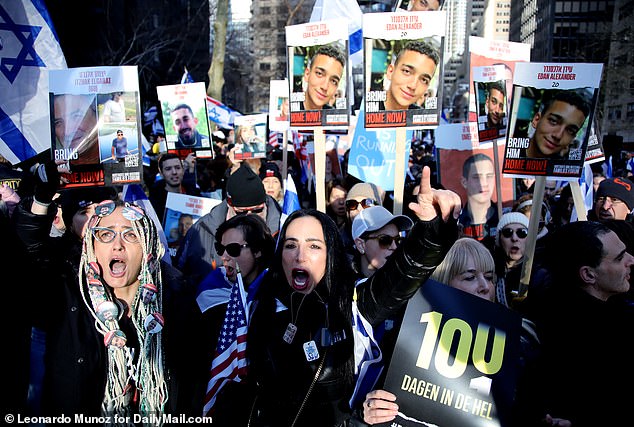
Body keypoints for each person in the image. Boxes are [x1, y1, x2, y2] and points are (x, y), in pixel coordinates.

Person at [243, 165, 461, 426]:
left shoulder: (356, 301)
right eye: (291, 245)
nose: (300, 255)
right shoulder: (261, 304)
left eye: (314, 245)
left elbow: (405, 271)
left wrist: (433, 228)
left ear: (330, 253)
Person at [515, 221, 634, 426]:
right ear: (588, 274)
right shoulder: (553, 335)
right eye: (619, 258)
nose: (631, 260)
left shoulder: (621, 314)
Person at [196, 214, 276, 421]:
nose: (224, 257)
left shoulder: (277, 296)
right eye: (221, 249)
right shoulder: (213, 285)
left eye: (233, 249)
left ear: (258, 250)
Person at [176, 164, 282, 288]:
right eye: (241, 212)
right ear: (229, 206)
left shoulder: (284, 231)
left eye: (257, 211)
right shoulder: (200, 231)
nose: (249, 218)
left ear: (265, 206)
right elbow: (179, 275)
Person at [523, 90, 591, 159]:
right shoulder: (512, 151)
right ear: (536, 120)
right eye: (553, 121)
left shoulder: (566, 168)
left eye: (570, 130)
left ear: (572, 139)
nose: (558, 136)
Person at [381, 40, 440, 111]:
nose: (413, 86)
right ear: (390, 71)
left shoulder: (423, 118)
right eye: (407, 71)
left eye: (424, 80)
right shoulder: (367, 110)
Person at [458, 153, 498, 241]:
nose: (484, 183)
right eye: (477, 177)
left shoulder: (505, 220)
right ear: (464, 182)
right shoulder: (456, 223)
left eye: (489, 176)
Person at [493, 212, 530, 307]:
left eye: (522, 233)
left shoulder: (538, 274)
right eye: (507, 232)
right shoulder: (489, 271)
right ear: (499, 239)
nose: (514, 238)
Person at [149, 153, 200, 221]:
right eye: (168, 169)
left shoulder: (195, 194)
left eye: (177, 168)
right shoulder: (154, 204)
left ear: (183, 170)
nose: (174, 172)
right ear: (161, 173)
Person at [53, 93, 100, 165]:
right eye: (58, 123)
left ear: (97, 116)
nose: (67, 132)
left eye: (76, 116)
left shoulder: (117, 159)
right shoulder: (51, 168)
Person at [301, 44, 346, 110]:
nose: (325, 87)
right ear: (307, 74)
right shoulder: (290, 113)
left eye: (333, 81)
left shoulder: (334, 117)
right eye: (319, 74)